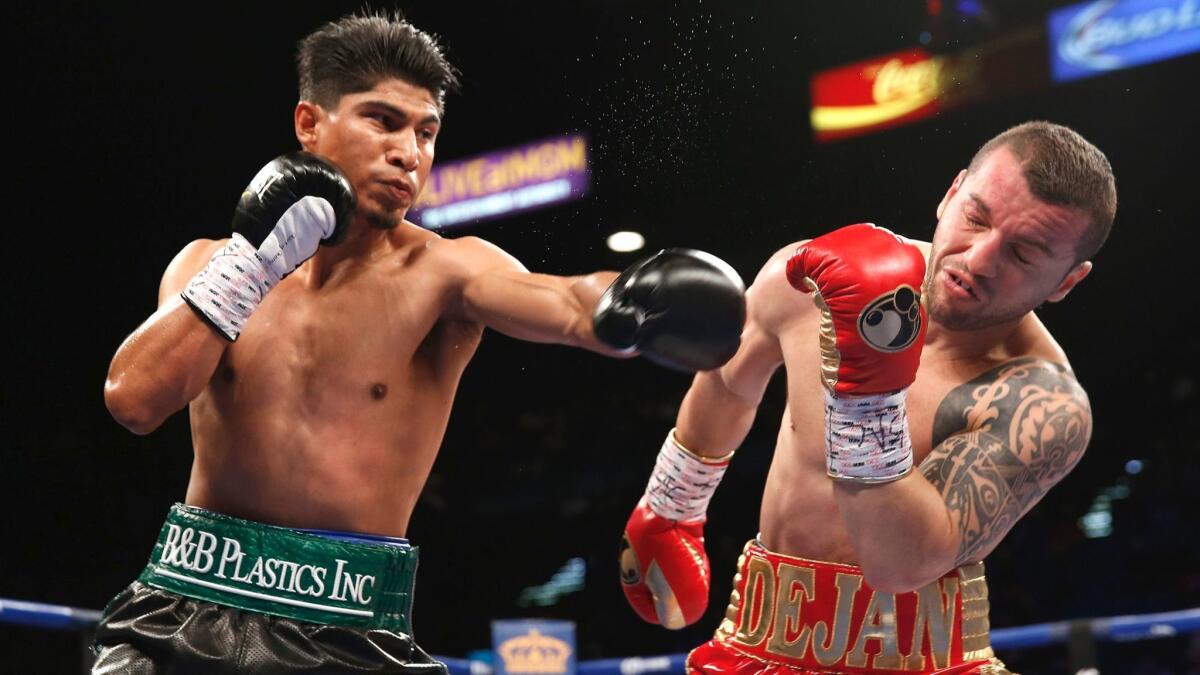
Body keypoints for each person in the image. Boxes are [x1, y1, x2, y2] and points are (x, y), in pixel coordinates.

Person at [94, 11, 745, 675]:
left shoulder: (445, 273)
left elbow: (567, 301)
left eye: (426, 131)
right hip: (186, 599)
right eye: (383, 120)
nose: (409, 152)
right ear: (309, 124)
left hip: (346, 627)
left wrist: (622, 303)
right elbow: (134, 400)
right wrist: (251, 264)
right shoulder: (210, 261)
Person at [618, 121, 1116, 674]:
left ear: (1065, 282)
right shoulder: (815, 276)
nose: (978, 258)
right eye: (975, 217)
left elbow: (900, 564)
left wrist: (867, 391)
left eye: (1023, 254)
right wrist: (674, 506)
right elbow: (729, 382)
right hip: (755, 646)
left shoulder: (1041, 403)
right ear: (950, 195)